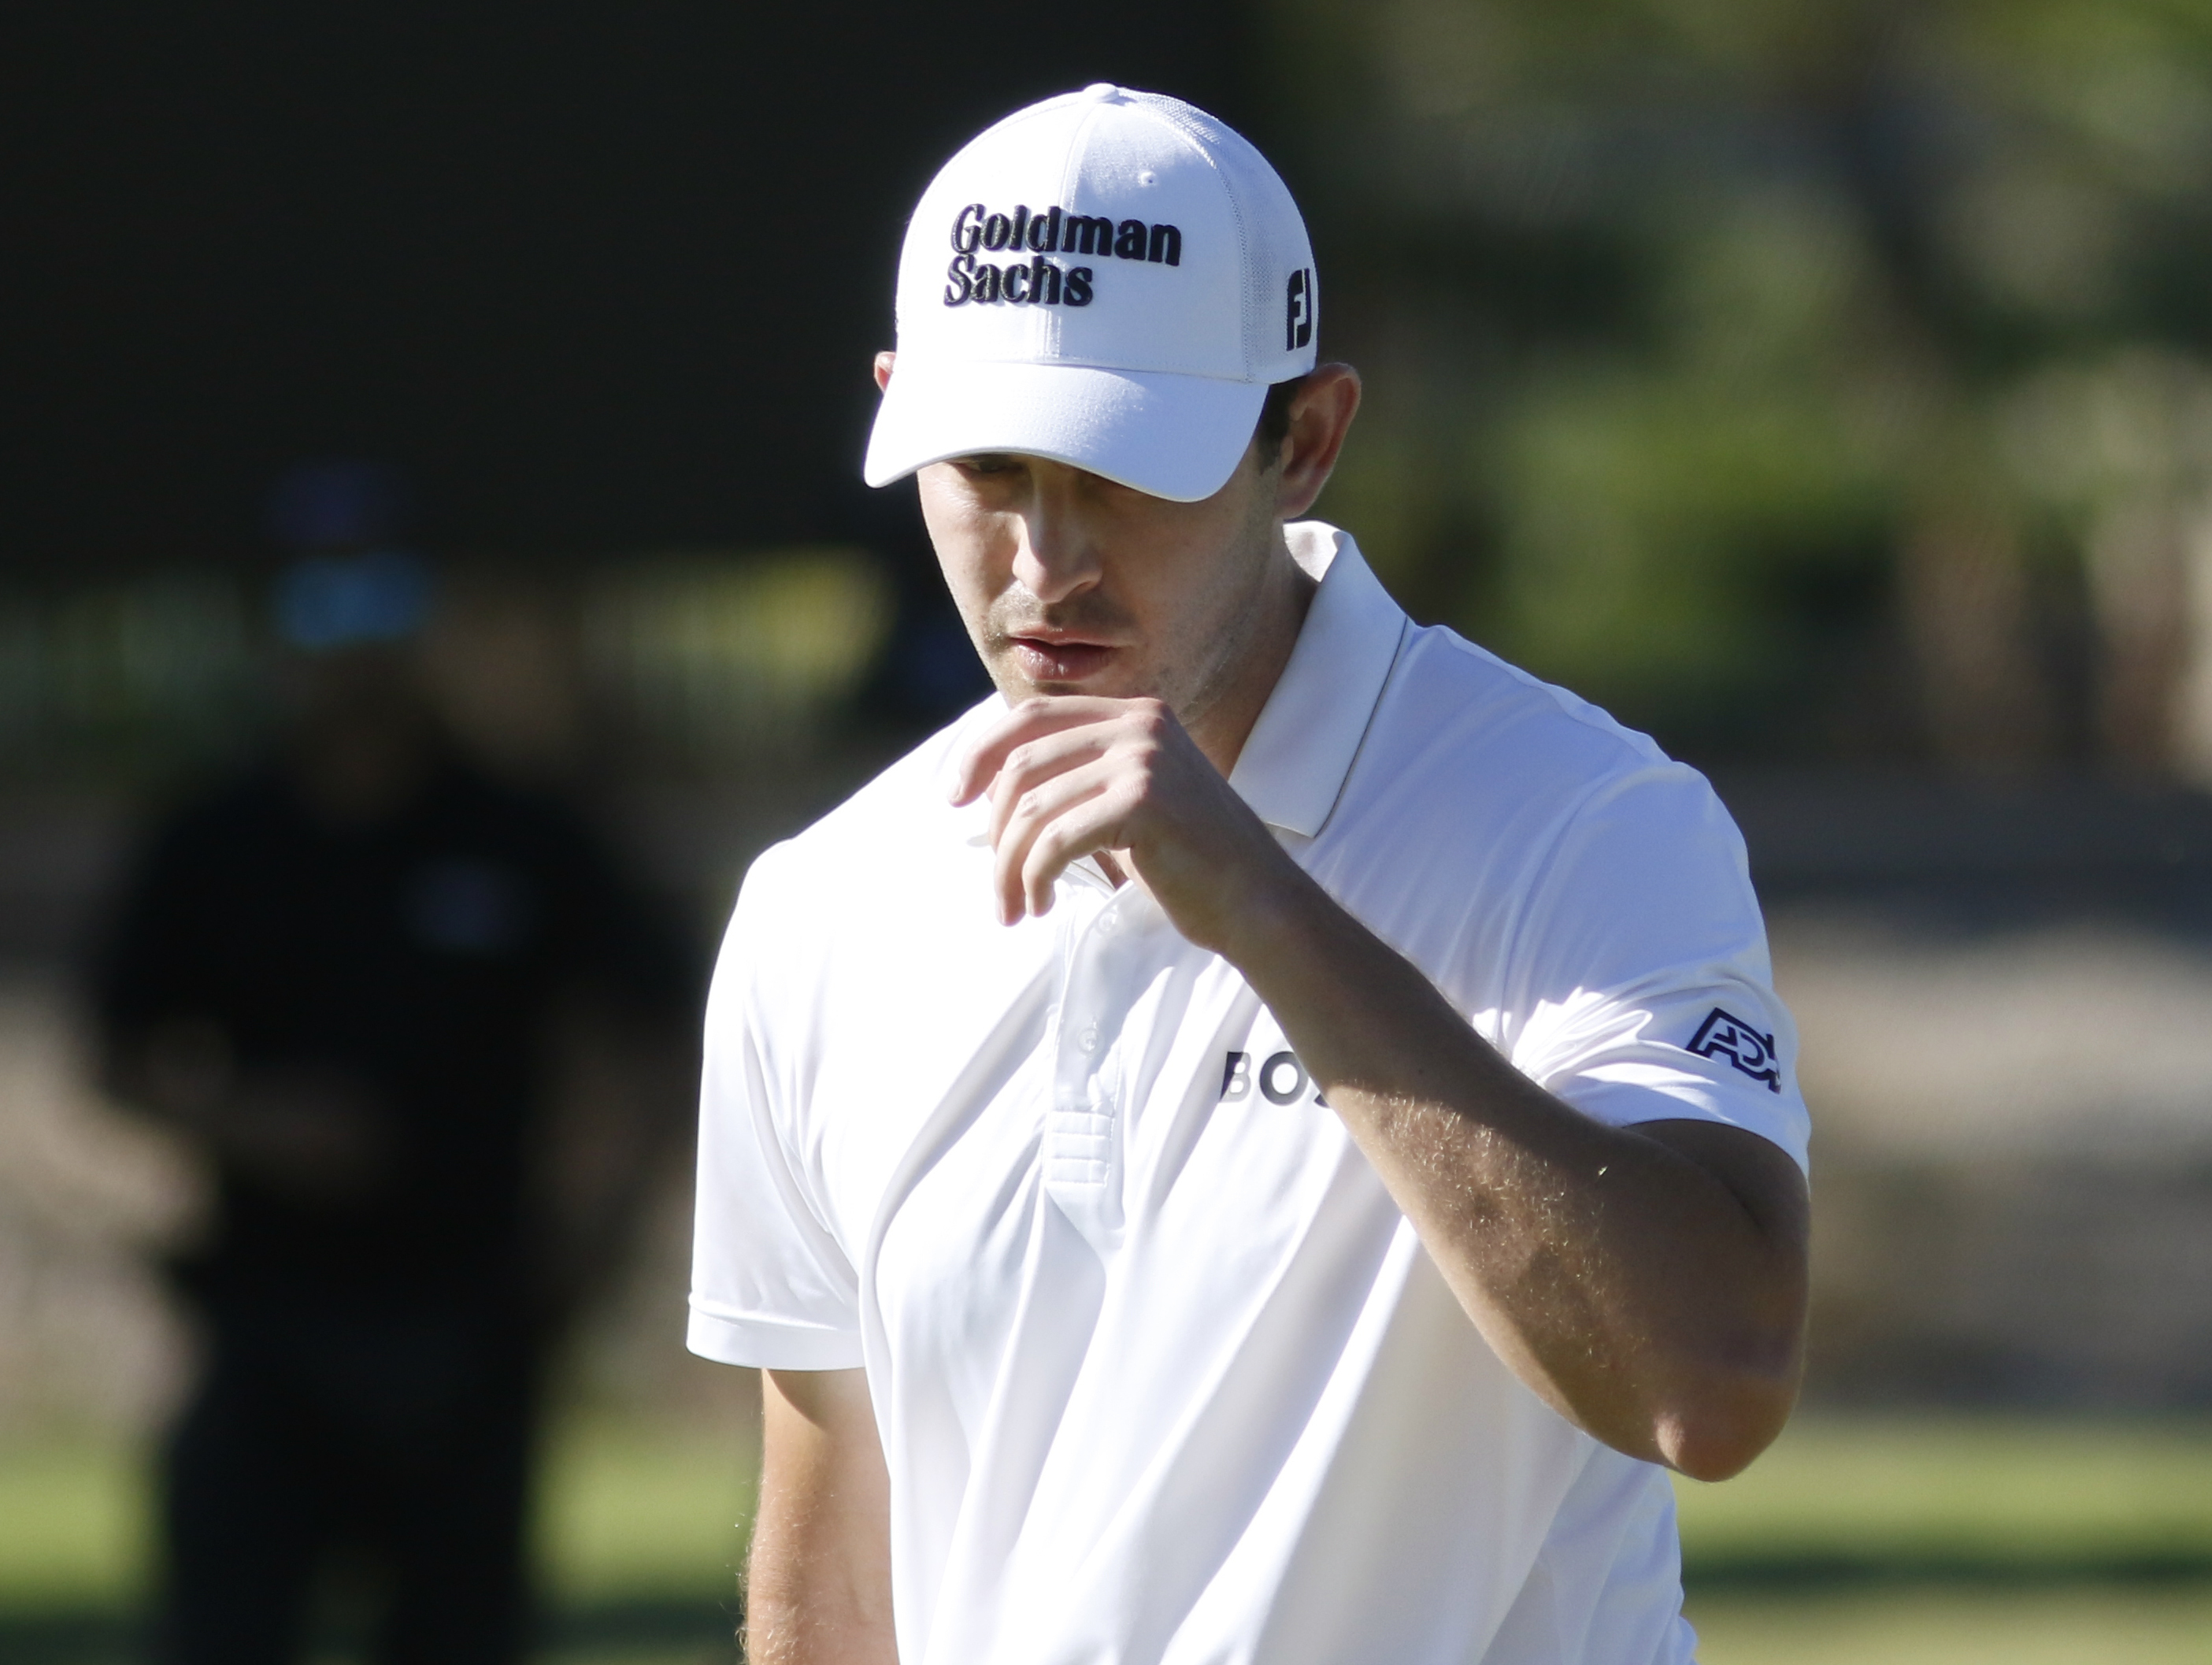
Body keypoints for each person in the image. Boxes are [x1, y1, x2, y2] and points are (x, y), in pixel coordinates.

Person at [687, 85, 1810, 1665]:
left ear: (1307, 441)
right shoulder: (822, 905)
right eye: (988, 469)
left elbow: (1710, 1381)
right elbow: (832, 1593)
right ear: (898, 409)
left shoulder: (1585, 819)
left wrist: (1265, 914)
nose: (1045, 562)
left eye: (1125, 470)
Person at [95, 542, 698, 1665]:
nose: (354, 651)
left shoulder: (520, 832)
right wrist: (259, 1121)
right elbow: (121, 1055)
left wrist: (599, 1226)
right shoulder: (217, 837)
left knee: (458, 1634)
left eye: (383, 611)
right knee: (225, 1627)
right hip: (266, 1317)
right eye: (321, 613)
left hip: (467, 1321)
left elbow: (650, 1030)